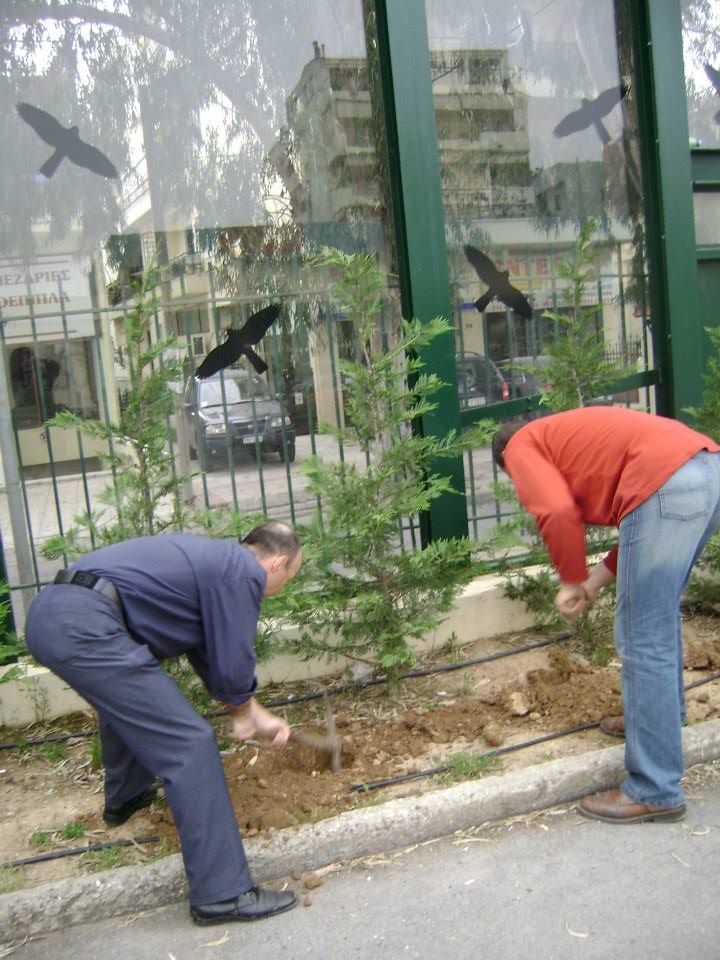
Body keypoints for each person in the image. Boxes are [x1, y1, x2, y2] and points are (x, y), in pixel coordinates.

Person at [25, 522, 302, 925]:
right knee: (190, 744)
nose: (282, 587)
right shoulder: (243, 571)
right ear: (277, 563)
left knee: (131, 702)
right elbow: (232, 666)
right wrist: (243, 715)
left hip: (57, 613)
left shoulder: (214, 564)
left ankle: (127, 798)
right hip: (84, 623)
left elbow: (213, 656)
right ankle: (223, 895)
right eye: (289, 577)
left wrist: (251, 712)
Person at [492, 407, 720, 824]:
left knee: (641, 636)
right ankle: (660, 722)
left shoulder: (519, 445)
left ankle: (654, 790)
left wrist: (570, 579)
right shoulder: (563, 439)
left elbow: (557, 510)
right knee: (657, 617)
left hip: (669, 480)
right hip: (707, 470)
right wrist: (592, 583)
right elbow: (642, 529)